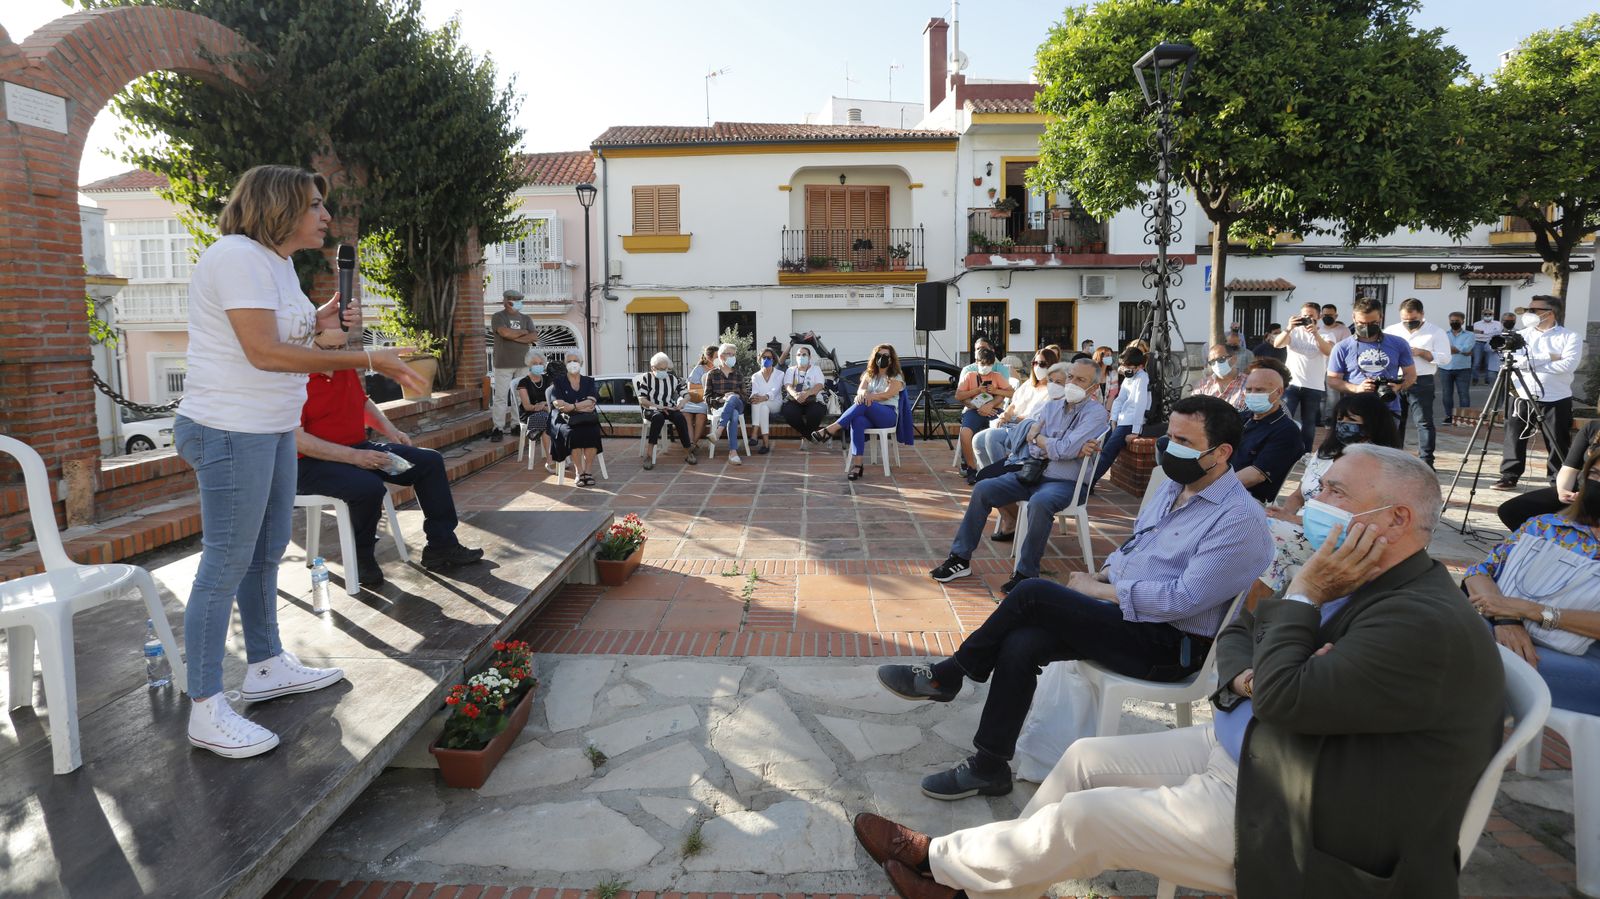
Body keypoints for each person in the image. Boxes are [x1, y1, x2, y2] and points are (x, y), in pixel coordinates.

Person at [859, 445, 1503, 899]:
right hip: (1252, 747)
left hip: (1297, 809)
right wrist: (1270, 659)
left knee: (1087, 817)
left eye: (1335, 491)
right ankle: (989, 891)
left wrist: (1300, 608)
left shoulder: (1416, 618)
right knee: (1081, 756)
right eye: (1319, 486)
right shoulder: (1357, 574)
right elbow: (1250, 629)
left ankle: (941, 864)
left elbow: (1276, 679)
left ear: (1394, 519)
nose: (1313, 500)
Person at [888, 394, 1271, 798]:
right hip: (1126, 620)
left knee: (1033, 591)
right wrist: (1104, 574)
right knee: (1021, 642)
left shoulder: (1240, 520)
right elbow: (1137, 547)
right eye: (1170, 436)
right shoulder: (1176, 485)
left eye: (1185, 442)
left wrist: (1099, 589)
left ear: (1222, 452)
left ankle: (949, 674)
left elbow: (1183, 599)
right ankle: (989, 766)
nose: (1170, 447)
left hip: (1169, 645)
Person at [174, 164, 425, 758]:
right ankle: (206, 708)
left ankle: (265, 664)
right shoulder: (235, 256)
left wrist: (320, 324)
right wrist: (369, 359)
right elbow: (262, 353)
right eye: (315, 204)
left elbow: (285, 337)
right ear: (279, 206)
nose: (325, 216)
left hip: (271, 429)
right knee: (225, 564)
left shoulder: (278, 265)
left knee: (264, 554)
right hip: (229, 430)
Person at [929, 360, 1108, 593]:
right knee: (983, 488)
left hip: (1066, 483)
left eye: (1080, 380)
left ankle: (1025, 573)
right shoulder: (1052, 407)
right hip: (1032, 473)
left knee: (1039, 503)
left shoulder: (1096, 414)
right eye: (1071, 377)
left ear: (1093, 388)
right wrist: (1054, 445)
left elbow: (1060, 448)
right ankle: (960, 559)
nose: (1072, 383)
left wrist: (1045, 441)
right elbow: (1035, 447)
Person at [296, 368, 484, 587]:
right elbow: (297, 439)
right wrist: (353, 457)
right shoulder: (292, 377)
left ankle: (441, 546)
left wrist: (391, 430)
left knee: (429, 462)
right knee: (368, 487)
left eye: (340, 347)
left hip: (360, 448)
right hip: (312, 463)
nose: (338, 353)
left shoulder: (343, 367)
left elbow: (362, 403)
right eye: (329, 348)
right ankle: (362, 557)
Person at [1468, 451, 1600, 716]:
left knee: (1477, 663)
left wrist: (1531, 611)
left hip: (1584, 656)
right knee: (1447, 634)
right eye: (1595, 475)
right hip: (1504, 629)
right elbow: (1479, 572)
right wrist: (1507, 620)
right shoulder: (1546, 526)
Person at [1260, 392, 1403, 596]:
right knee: (1257, 528)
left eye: (1351, 420)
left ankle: (1247, 615)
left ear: (1372, 425)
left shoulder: (1374, 464)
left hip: (1335, 536)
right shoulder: (1326, 453)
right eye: (1339, 419)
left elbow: (1348, 518)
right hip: (1302, 525)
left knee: (1261, 536)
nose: (1343, 425)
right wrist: (1283, 511)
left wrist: (1291, 519)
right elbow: (1299, 494)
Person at [1494, 295, 1584, 491]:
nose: (1528, 313)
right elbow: (1514, 362)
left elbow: (1567, 365)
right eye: (1528, 309)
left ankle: (1558, 478)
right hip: (1520, 394)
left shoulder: (1569, 337)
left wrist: (1531, 363)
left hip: (1555, 396)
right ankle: (1509, 475)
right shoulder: (1521, 335)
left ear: (1549, 313)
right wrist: (1550, 357)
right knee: (1514, 435)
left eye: (1534, 310)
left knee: (1557, 439)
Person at [809, 342, 905, 481]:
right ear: (875, 357)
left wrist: (868, 396)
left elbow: (887, 395)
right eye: (879, 355)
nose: (882, 358)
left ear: (891, 359)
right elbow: (860, 390)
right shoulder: (869, 374)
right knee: (857, 420)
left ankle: (831, 429)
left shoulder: (896, 376)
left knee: (864, 403)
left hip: (887, 415)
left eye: (886, 355)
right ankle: (858, 465)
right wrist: (864, 394)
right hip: (869, 412)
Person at [1384, 297, 1452, 469]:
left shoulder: (1435, 332)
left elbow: (1445, 358)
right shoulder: (1392, 330)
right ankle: (1394, 457)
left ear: (1422, 314)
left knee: (1423, 422)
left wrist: (1423, 353)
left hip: (1422, 380)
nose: (1408, 323)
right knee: (1394, 421)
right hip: (1395, 379)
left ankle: (1426, 461)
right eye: (1405, 320)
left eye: (1413, 320)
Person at [1498, 421, 1600, 531]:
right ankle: (1546, 543)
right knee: (1510, 510)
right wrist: (1563, 491)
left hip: (1593, 496)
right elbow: (1569, 468)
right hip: (1579, 492)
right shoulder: (1592, 428)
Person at [1325, 296, 1415, 419]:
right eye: (1361, 323)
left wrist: (1398, 387)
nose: (1366, 327)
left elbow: (1411, 375)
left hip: (1389, 410)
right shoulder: (1342, 347)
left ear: (1381, 318)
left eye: (1373, 323)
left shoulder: (1399, 343)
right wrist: (1357, 388)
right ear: (1354, 318)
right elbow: (1332, 380)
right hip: (1354, 411)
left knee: (1387, 439)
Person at [972, 346, 1059, 470]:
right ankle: (988, 475)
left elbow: (1035, 419)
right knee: (977, 440)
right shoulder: (1029, 384)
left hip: (1026, 429)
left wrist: (1010, 418)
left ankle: (1003, 474)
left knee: (992, 437)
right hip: (1011, 424)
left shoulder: (1053, 391)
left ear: (1052, 366)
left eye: (1042, 364)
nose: (1037, 367)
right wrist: (1005, 414)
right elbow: (1013, 404)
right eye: (1035, 363)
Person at [1232, 359, 1303, 504]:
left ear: (1278, 392)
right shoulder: (1240, 418)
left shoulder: (1286, 431)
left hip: (1248, 499)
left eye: (1259, 390)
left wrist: (1213, 487)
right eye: (1249, 390)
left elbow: (1256, 475)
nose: (1252, 394)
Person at [1273, 301, 1336, 453]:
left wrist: (1315, 333)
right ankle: (1283, 450)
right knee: (1284, 419)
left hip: (1313, 386)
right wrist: (1288, 328)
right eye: (1304, 315)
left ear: (1319, 316)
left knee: (1309, 423)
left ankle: (1306, 453)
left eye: (1311, 316)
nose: (1307, 318)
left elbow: (1329, 351)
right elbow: (1277, 344)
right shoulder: (1294, 332)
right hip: (1292, 384)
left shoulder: (1327, 333)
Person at [1089, 347, 1148, 488]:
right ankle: (1086, 478)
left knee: (1108, 452)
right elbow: (1119, 399)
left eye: (1129, 367)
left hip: (1129, 422)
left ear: (1139, 366)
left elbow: (1139, 403)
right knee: (1098, 445)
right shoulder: (1129, 377)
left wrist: (1135, 430)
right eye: (1124, 366)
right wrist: (1113, 419)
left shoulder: (1142, 378)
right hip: (1120, 420)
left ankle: (1088, 483)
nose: (1126, 369)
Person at [955, 346, 1012, 479]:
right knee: (965, 433)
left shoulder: (997, 376)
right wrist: (977, 391)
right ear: (977, 362)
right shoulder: (969, 376)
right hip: (973, 410)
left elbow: (1011, 392)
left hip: (994, 410)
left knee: (1003, 430)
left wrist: (995, 391)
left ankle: (999, 468)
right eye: (983, 364)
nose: (986, 367)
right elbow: (958, 396)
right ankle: (971, 468)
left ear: (993, 364)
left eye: (989, 364)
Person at [547, 349, 603, 486]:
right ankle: (579, 472)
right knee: (572, 434)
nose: (573, 364)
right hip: (564, 419)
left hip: (585, 417)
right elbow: (559, 405)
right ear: (565, 364)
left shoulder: (588, 381)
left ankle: (588, 472)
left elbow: (592, 402)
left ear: (581, 363)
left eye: (576, 361)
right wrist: (579, 406)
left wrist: (571, 405)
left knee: (593, 432)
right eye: (569, 361)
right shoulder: (558, 382)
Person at [488, 290, 535, 443]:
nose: (518, 301)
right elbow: (503, 332)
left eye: (520, 299)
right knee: (501, 396)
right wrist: (522, 333)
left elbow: (533, 336)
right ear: (506, 301)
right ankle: (498, 428)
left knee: (519, 396)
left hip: (523, 363)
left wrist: (513, 336)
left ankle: (517, 424)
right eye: (514, 299)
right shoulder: (499, 317)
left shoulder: (526, 318)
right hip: (504, 363)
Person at [634, 352, 695, 469]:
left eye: (666, 369)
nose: (664, 371)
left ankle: (688, 452)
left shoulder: (672, 378)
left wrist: (682, 403)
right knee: (658, 418)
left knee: (680, 418)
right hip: (651, 409)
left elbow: (686, 394)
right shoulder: (647, 378)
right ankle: (649, 455)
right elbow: (642, 399)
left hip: (668, 407)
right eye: (661, 369)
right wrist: (657, 406)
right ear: (653, 368)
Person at [704, 342, 748, 465]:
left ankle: (718, 431)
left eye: (734, 354)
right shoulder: (712, 374)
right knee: (733, 414)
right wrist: (722, 399)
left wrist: (735, 396)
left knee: (733, 398)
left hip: (738, 404)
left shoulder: (738, 374)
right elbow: (706, 398)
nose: (733, 357)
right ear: (721, 356)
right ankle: (733, 453)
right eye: (730, 354)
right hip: (719, 406)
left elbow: (745, 397)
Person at [780, 345, 827, 441]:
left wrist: (806, 394)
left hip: (813, 399)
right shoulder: (790, 370)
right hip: (794, 400)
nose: (801, 357)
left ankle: (806, 436)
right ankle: (809, 436)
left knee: (815, 413)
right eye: (798, 355)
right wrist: (795, 395)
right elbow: (787, 385)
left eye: (804, 355)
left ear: (810, 357)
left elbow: (819, 385)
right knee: (789, 412)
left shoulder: (816, 369)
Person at [515, 352, 554, 470]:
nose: (538, 365)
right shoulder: (524, 382)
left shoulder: (548, 379)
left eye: (540, 363)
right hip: (530, 414)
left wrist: (544, 405)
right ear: (529, 365)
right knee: (547, 421)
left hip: (547, 410)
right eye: (535, 363)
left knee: (557, 419)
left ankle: (561, 458)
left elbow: (555, 399)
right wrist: (543, 406)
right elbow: (527, 406)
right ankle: (551, 461)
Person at [1439, 310, 1475, 425]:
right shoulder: (1443, 334)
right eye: (1452, 321)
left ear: (1463, 321)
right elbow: (1441, 349)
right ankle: (1449, 416)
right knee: (1446, 393)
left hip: (1463, 368)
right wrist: (1461, 350)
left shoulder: (1470, 335)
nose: (1454, 322)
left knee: (1463, 393)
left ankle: (1464, 418)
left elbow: (1467, 349)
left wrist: (1455, 349)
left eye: (1457, 321)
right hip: (1445, 367)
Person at [747, 346, 784, 455]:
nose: (766, 360)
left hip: (775, 403)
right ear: (759, 358)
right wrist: (754, 397)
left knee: (759, 403)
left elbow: (775, 390)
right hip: (762, 405)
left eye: (769, 357)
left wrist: (764, 397)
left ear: (773, 360)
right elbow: (755, 391)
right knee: (760, 405)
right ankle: (765, 444)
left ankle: (754, 432)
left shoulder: (780, 374)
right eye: (764, 357)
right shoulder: (755, 376)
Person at [1192, 343, 1246, 410]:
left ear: (1234, 359)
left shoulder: (1248, 383)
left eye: (1221, 359)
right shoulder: (1203, 385)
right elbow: (1193, 411)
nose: (1216, 364)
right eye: (1212, 362)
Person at [682, 345, 716, 449]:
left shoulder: (719, 369)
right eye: (717, 356)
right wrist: (708, 386)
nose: (720, 358)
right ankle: (691, 443)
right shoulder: (699, 369)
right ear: (709, 358)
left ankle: (693, 444)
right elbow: (691, 385)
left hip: (705, 400)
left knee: (701, 414)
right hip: (694, 398)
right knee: (685, 413)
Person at [1470, 308, 1503, 385]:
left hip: (1491, 344)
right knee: (1476, 363)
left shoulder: (1498, 323)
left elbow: (1498, 333)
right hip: (1478, 343)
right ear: (1482, 315)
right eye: (1485, 314)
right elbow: (1477, 334)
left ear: (1493, 315)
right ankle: (1475, 378)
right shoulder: (1477, 324)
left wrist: (1483, 333)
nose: (1487, 316)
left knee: (1488, 363)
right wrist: (1490, 334)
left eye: (1490, 314)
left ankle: (1487, 380)